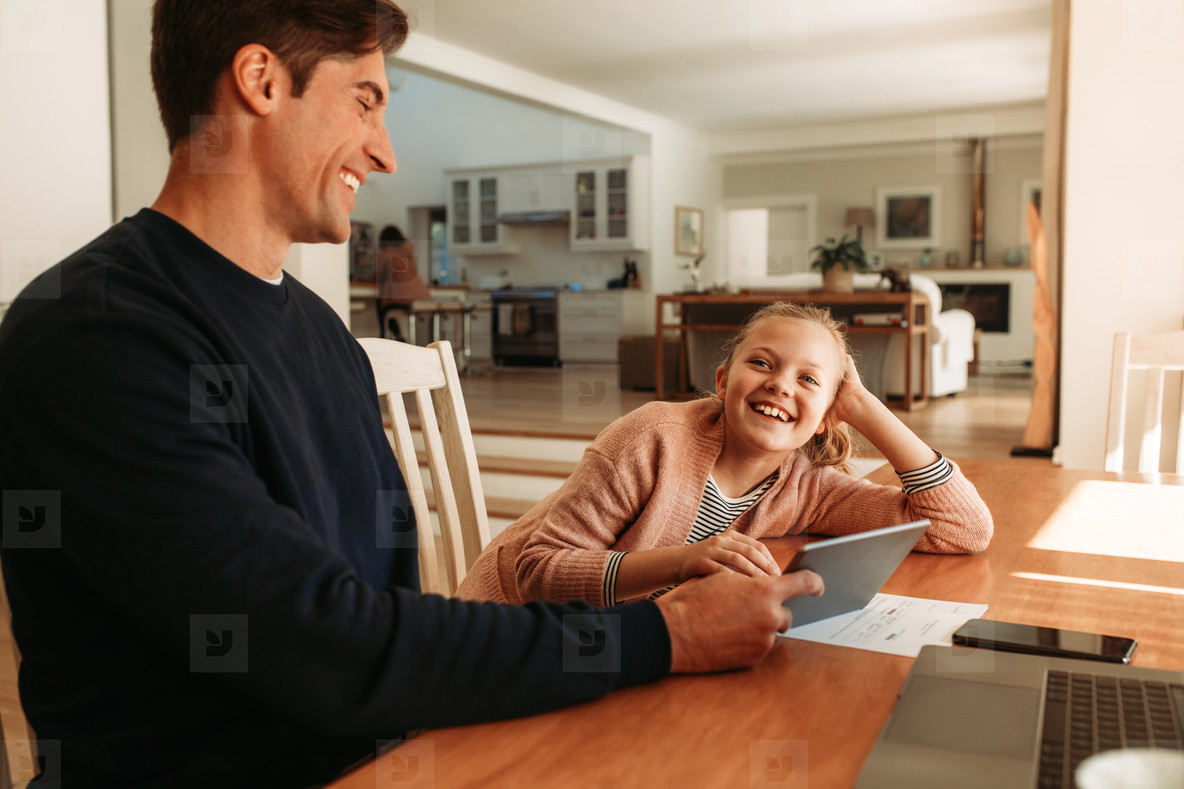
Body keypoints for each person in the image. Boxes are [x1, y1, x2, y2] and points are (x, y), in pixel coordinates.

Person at [0, 2, 824, 786]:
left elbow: (380, 615)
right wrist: (666, 630)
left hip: (394, 753)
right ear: (259, 80)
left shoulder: (322, 333)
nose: (386, 152)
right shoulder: (94, 336)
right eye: (366, 102)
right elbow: (323, 647)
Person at [456, 302, 993, 606]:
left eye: (808, 379)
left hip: (618, 637)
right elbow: (539, 573)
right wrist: (687, 560)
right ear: (722, 381)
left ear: (831, 412)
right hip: (505, 630)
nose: (781, 385)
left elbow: (962, 529)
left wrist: (865, 406)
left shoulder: (809, 487)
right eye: (762, 363)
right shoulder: (650, 438)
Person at [374, 224, 429, 341]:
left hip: (401, 298)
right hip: (419, 296)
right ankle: (397, 335)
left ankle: (384, 335)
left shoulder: (387, 251)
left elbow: (378, 275)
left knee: (382, 303)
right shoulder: (408, 250)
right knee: (387, 305)